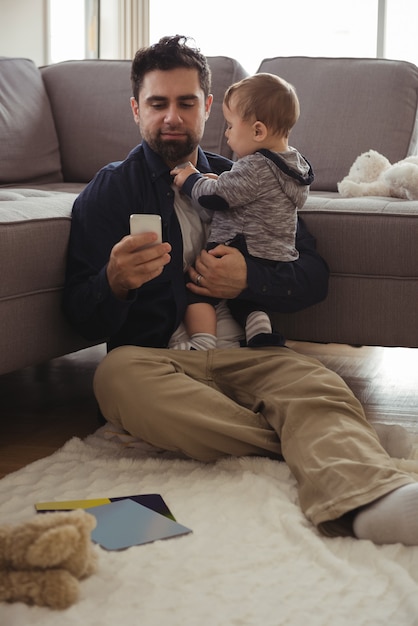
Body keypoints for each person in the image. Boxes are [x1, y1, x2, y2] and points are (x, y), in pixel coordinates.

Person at [63, 35, 418, 546]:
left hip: (248, 351)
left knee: (315, 383)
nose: (172, 117)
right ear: (135, 109)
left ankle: (364, 501)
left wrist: (251, 278)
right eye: (157, 104)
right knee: (114, 379)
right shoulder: (109, 190)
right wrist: (112, 284)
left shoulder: (251, 177)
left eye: (186, 103)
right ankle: (328, 443)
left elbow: (312, 275)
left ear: (208, 107)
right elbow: (76, 310)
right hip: (159, 363)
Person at [170, 73, 314, 350]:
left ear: (258, 131)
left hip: (242, 248)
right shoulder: (293, 166)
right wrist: (219, 180)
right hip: (276, 256)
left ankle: (202, 341)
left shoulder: (255, 166)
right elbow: (244, 191)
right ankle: (260, 334)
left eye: (231, 126)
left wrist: (191, 178)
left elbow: (217, 198)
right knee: (246, 300)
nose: (226, 133)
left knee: (197, 286)